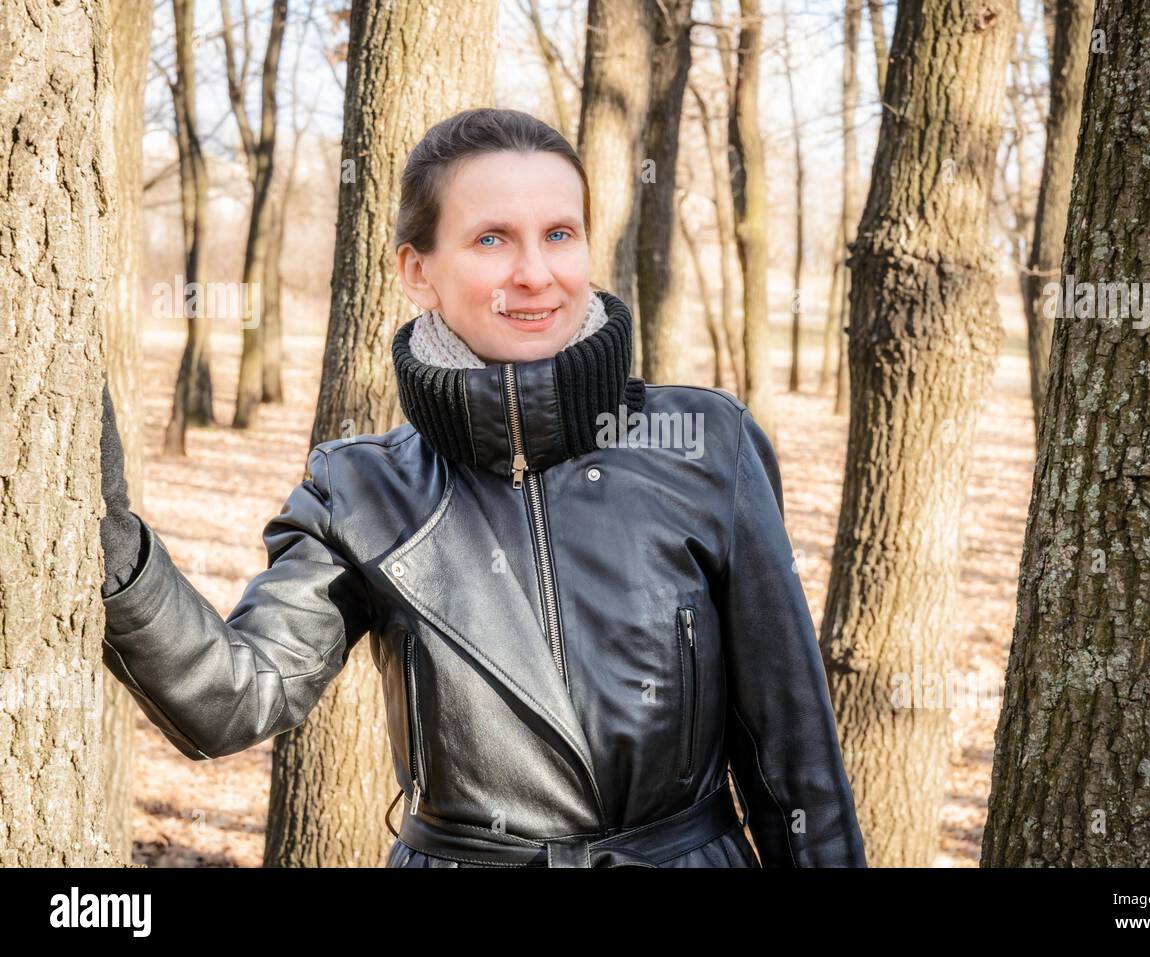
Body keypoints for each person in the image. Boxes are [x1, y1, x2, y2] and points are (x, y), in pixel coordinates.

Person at [99, 107, 867, 868]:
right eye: (492, 238)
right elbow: (234, 698)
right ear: (417, 272)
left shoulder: (704, 442)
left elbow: (793, 757)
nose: (535, 272)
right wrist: (110, 542)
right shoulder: (362, 488)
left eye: (559, 234)